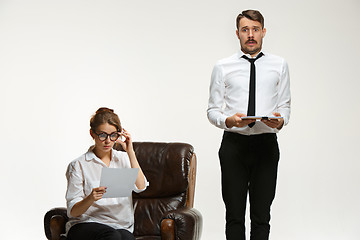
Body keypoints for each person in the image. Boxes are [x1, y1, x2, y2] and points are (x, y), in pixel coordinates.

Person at [207, 10, 291, 240]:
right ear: (237, 34)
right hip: (234, 145)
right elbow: (212, 110)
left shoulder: (279, 65)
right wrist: (228, 121)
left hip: (266, 144)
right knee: (234, 215)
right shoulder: (222, 66)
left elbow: (285, 106)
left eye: (255, 29)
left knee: (261, 215)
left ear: (263, 32)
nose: (250, 35)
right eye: (245, 30)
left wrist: (280, 120)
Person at [65, 107, 149, 240]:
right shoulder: (79, 165)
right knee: (112, 236)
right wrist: (90, 198)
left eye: (113, 135)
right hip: (86, 224)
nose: (108, 141)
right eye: (102, 135)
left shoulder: (124, 159)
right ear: (92, 134)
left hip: (120, 226)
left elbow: (141, 186)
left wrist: (130, 152)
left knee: (127, 238)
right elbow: (73, 212)